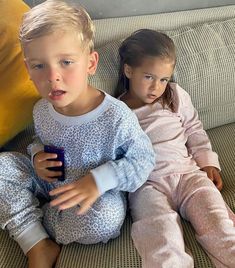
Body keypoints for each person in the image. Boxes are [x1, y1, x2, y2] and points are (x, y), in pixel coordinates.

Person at [0, 2, 156, 268]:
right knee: (2, 166)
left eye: (66, 62)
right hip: (48, 184)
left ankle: (35, 220)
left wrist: (98, 181)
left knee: (107, 218)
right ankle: (36, 242)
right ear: (28, 69)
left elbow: (144, 160)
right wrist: (37, 154)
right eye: (39, 66)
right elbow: (41, 141)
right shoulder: (41, 110)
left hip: (89, 198)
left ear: (90, 63)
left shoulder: (116, 117)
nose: (53, 77)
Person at [115, 28, 235, 268]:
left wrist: (208, 162)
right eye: (148, 77)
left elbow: (193, 128)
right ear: (129, 70)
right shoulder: (117, 110)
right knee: (162, 242)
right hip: (147, 185)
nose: (156, 87)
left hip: (188, 175)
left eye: (163, 79)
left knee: (220, 225)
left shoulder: (174, 95)